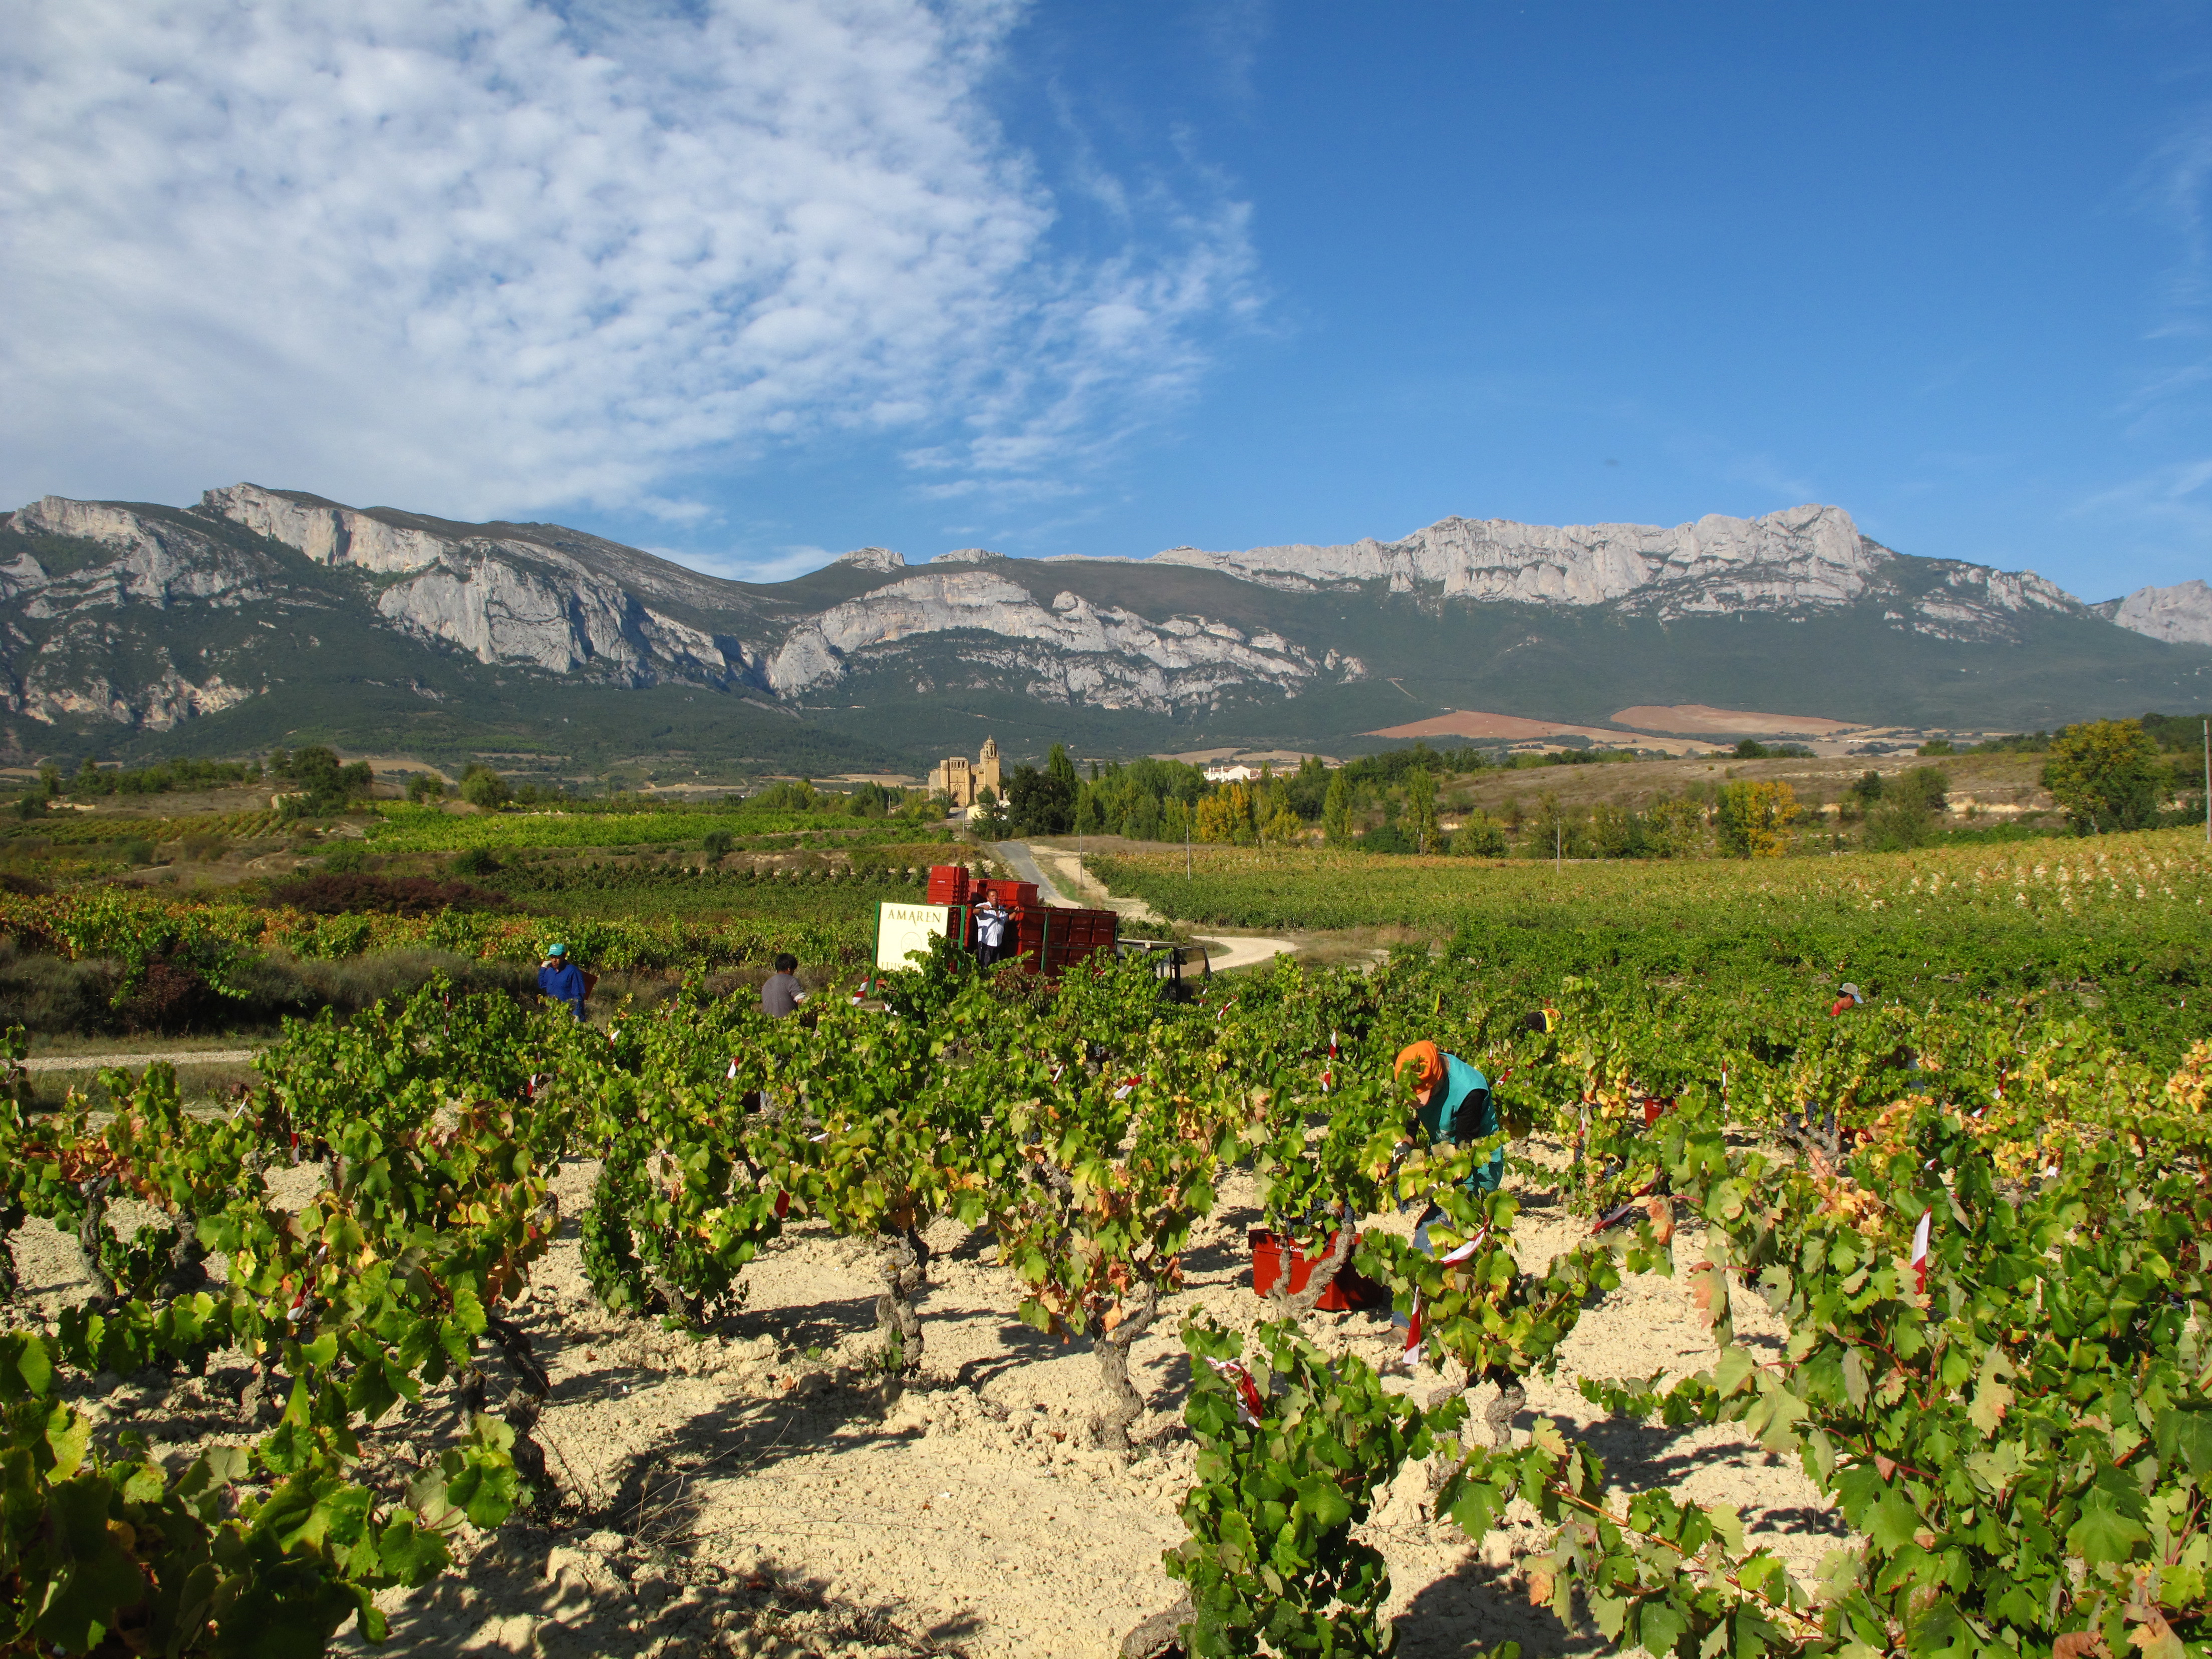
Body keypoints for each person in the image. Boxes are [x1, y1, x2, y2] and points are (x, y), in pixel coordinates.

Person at [538, 942, 589, 1020]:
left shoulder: (573, 971)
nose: (554, 960)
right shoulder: (550, 971)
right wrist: (543, 968)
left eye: (557, 957)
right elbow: (542, 985)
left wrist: (576, 1015)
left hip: (569, 1016)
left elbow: (578, 995)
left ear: (564, 956)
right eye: (552, 957)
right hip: (554, 1016)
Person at [761, 953, 807, 1018]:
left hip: (769, 1024)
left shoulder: (767, 984)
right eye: (794, 970)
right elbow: (802, 1001)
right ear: (789, 969)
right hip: (789, 1024)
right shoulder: (791, 980)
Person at [972, 898, 1008, 969]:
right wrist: (982, 908)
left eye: (996, 896)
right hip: (986, 943)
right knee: (985, 966)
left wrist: (1015, 913)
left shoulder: (1002, 909)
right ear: (988, 898)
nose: (995, 897)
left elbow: (1007, 919)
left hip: (998, 943)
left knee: (996, 967)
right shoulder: (983, 906)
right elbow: (975, 912)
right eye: (992, 896)